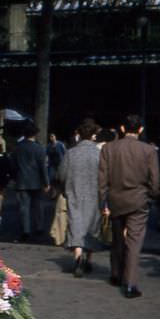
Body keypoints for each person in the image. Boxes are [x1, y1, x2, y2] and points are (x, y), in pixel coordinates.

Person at [98, 114, 159, 298]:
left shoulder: (108, 148)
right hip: (139, 199)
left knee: (117, 237)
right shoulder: (149, 150)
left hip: (116, 198)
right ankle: (130, 283)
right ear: (140, 129)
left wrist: (102, 202)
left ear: (123, 129)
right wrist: (152, 195)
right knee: (134, 241)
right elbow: (154, 180)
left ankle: (115, 273)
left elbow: (102, 179)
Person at [59, 119, 102, 278]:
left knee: (76, 224)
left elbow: (62, 175)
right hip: (94, 195)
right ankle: (88, 259)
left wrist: (65, 188)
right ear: (93, 136)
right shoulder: (99, 154)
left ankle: (78, 258)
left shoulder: (71, 153)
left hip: (75, 193)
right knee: (92, 226)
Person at [10, 121, 49, 241]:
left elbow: (13, 165)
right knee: (38, 205)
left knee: (24, 207)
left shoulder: (17, 148)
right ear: (35, 134)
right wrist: (46, 182)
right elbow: (43, 167)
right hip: (37, 180)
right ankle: (39, 227)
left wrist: (14, 177)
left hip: (22, 180)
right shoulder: (39, 148)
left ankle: (25, 230)